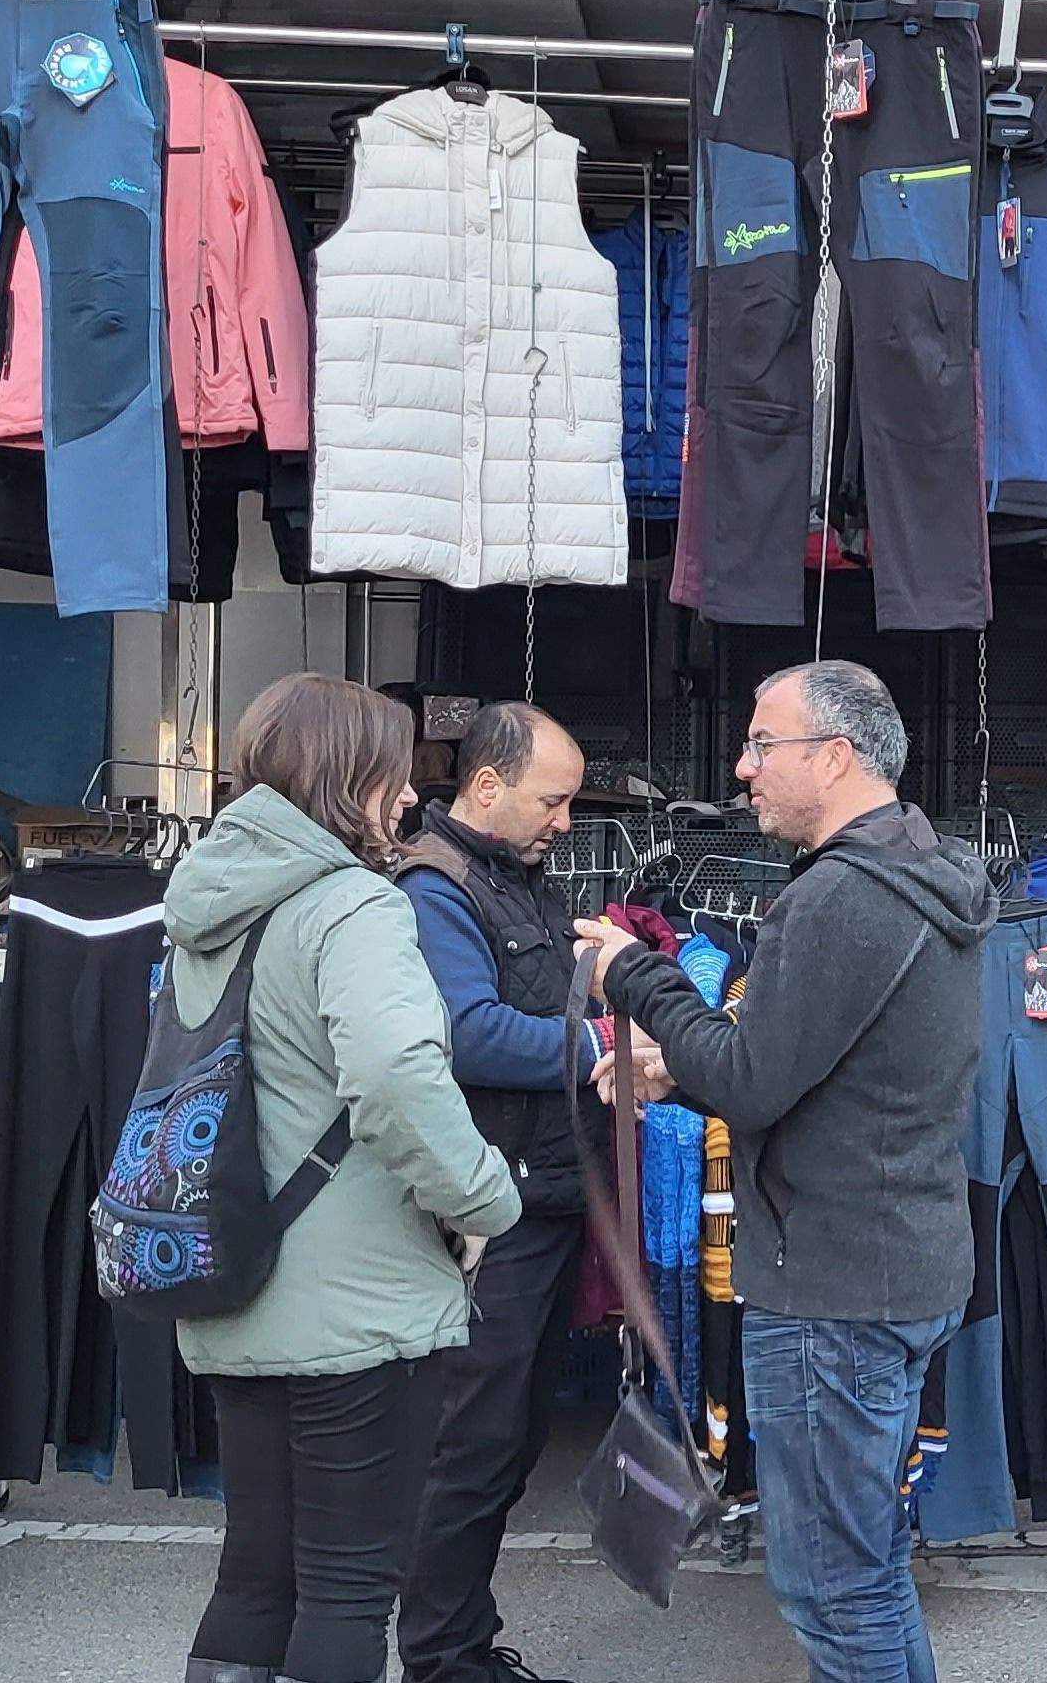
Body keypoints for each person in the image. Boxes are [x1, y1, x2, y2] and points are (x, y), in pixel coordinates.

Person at [576, 659, 993, 1683]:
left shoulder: (844, 897)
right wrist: (677, 1070)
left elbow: (758, 1080)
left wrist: (636, 975)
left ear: (835, 756)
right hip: (893, 1263)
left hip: (833, 1291)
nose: (742, 766)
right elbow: (825, 1069)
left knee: (832, 1584)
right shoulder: (915, 875)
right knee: (868, 1568)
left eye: (763, 744)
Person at [170, 674, 522, 1683]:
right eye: (392, 774)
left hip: (238, 1267)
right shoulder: (352, 907)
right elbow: (393, 1073)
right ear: (346, 778)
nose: (411, 796)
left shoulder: (210, 900)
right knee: (347, 1589)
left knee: (254, 1578)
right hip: (354, 1297)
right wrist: (484, 1198)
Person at [387, 702, 602, 1683]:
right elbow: (466, 1033)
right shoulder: (438, 889)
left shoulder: (517, 880)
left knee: (507, 1441)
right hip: (490, 1218)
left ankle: (463, 1646)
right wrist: (604, 1046)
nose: (565, 818)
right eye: (552, 799)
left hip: (546, 1199)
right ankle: (441, 1662)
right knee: (472, 1447)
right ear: (486, 787)